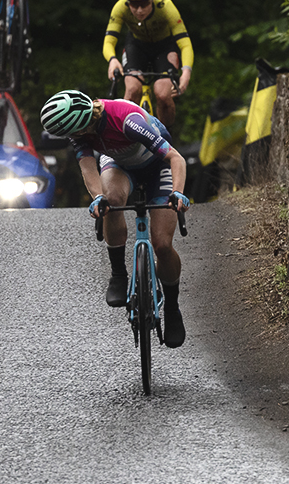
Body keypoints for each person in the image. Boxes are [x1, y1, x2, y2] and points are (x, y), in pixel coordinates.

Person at [40, 89, 192, 348]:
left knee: (162, 245)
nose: (72, 138)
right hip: (121, 165)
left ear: (82, 126)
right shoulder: (81, 132)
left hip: (158, 167)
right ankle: (119, 274)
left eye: (73, 134)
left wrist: (177, 192)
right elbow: (89, 168)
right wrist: (98, 198)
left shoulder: (127, 121)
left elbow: (175, 158)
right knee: (110, 200)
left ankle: (172, 308)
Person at [102, 0, 194, 130]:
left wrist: (186, 72)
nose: (139, 10)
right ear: (126, 1)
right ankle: (126, 137)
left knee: (164, 95)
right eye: (133, 4)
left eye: (144, 3)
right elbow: (109, 41)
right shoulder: (120, 7)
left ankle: (165, 138)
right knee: (131, 90)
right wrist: (112, 60)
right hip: (137, 47)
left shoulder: (165, 6)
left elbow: (185, 43)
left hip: (164, 47)